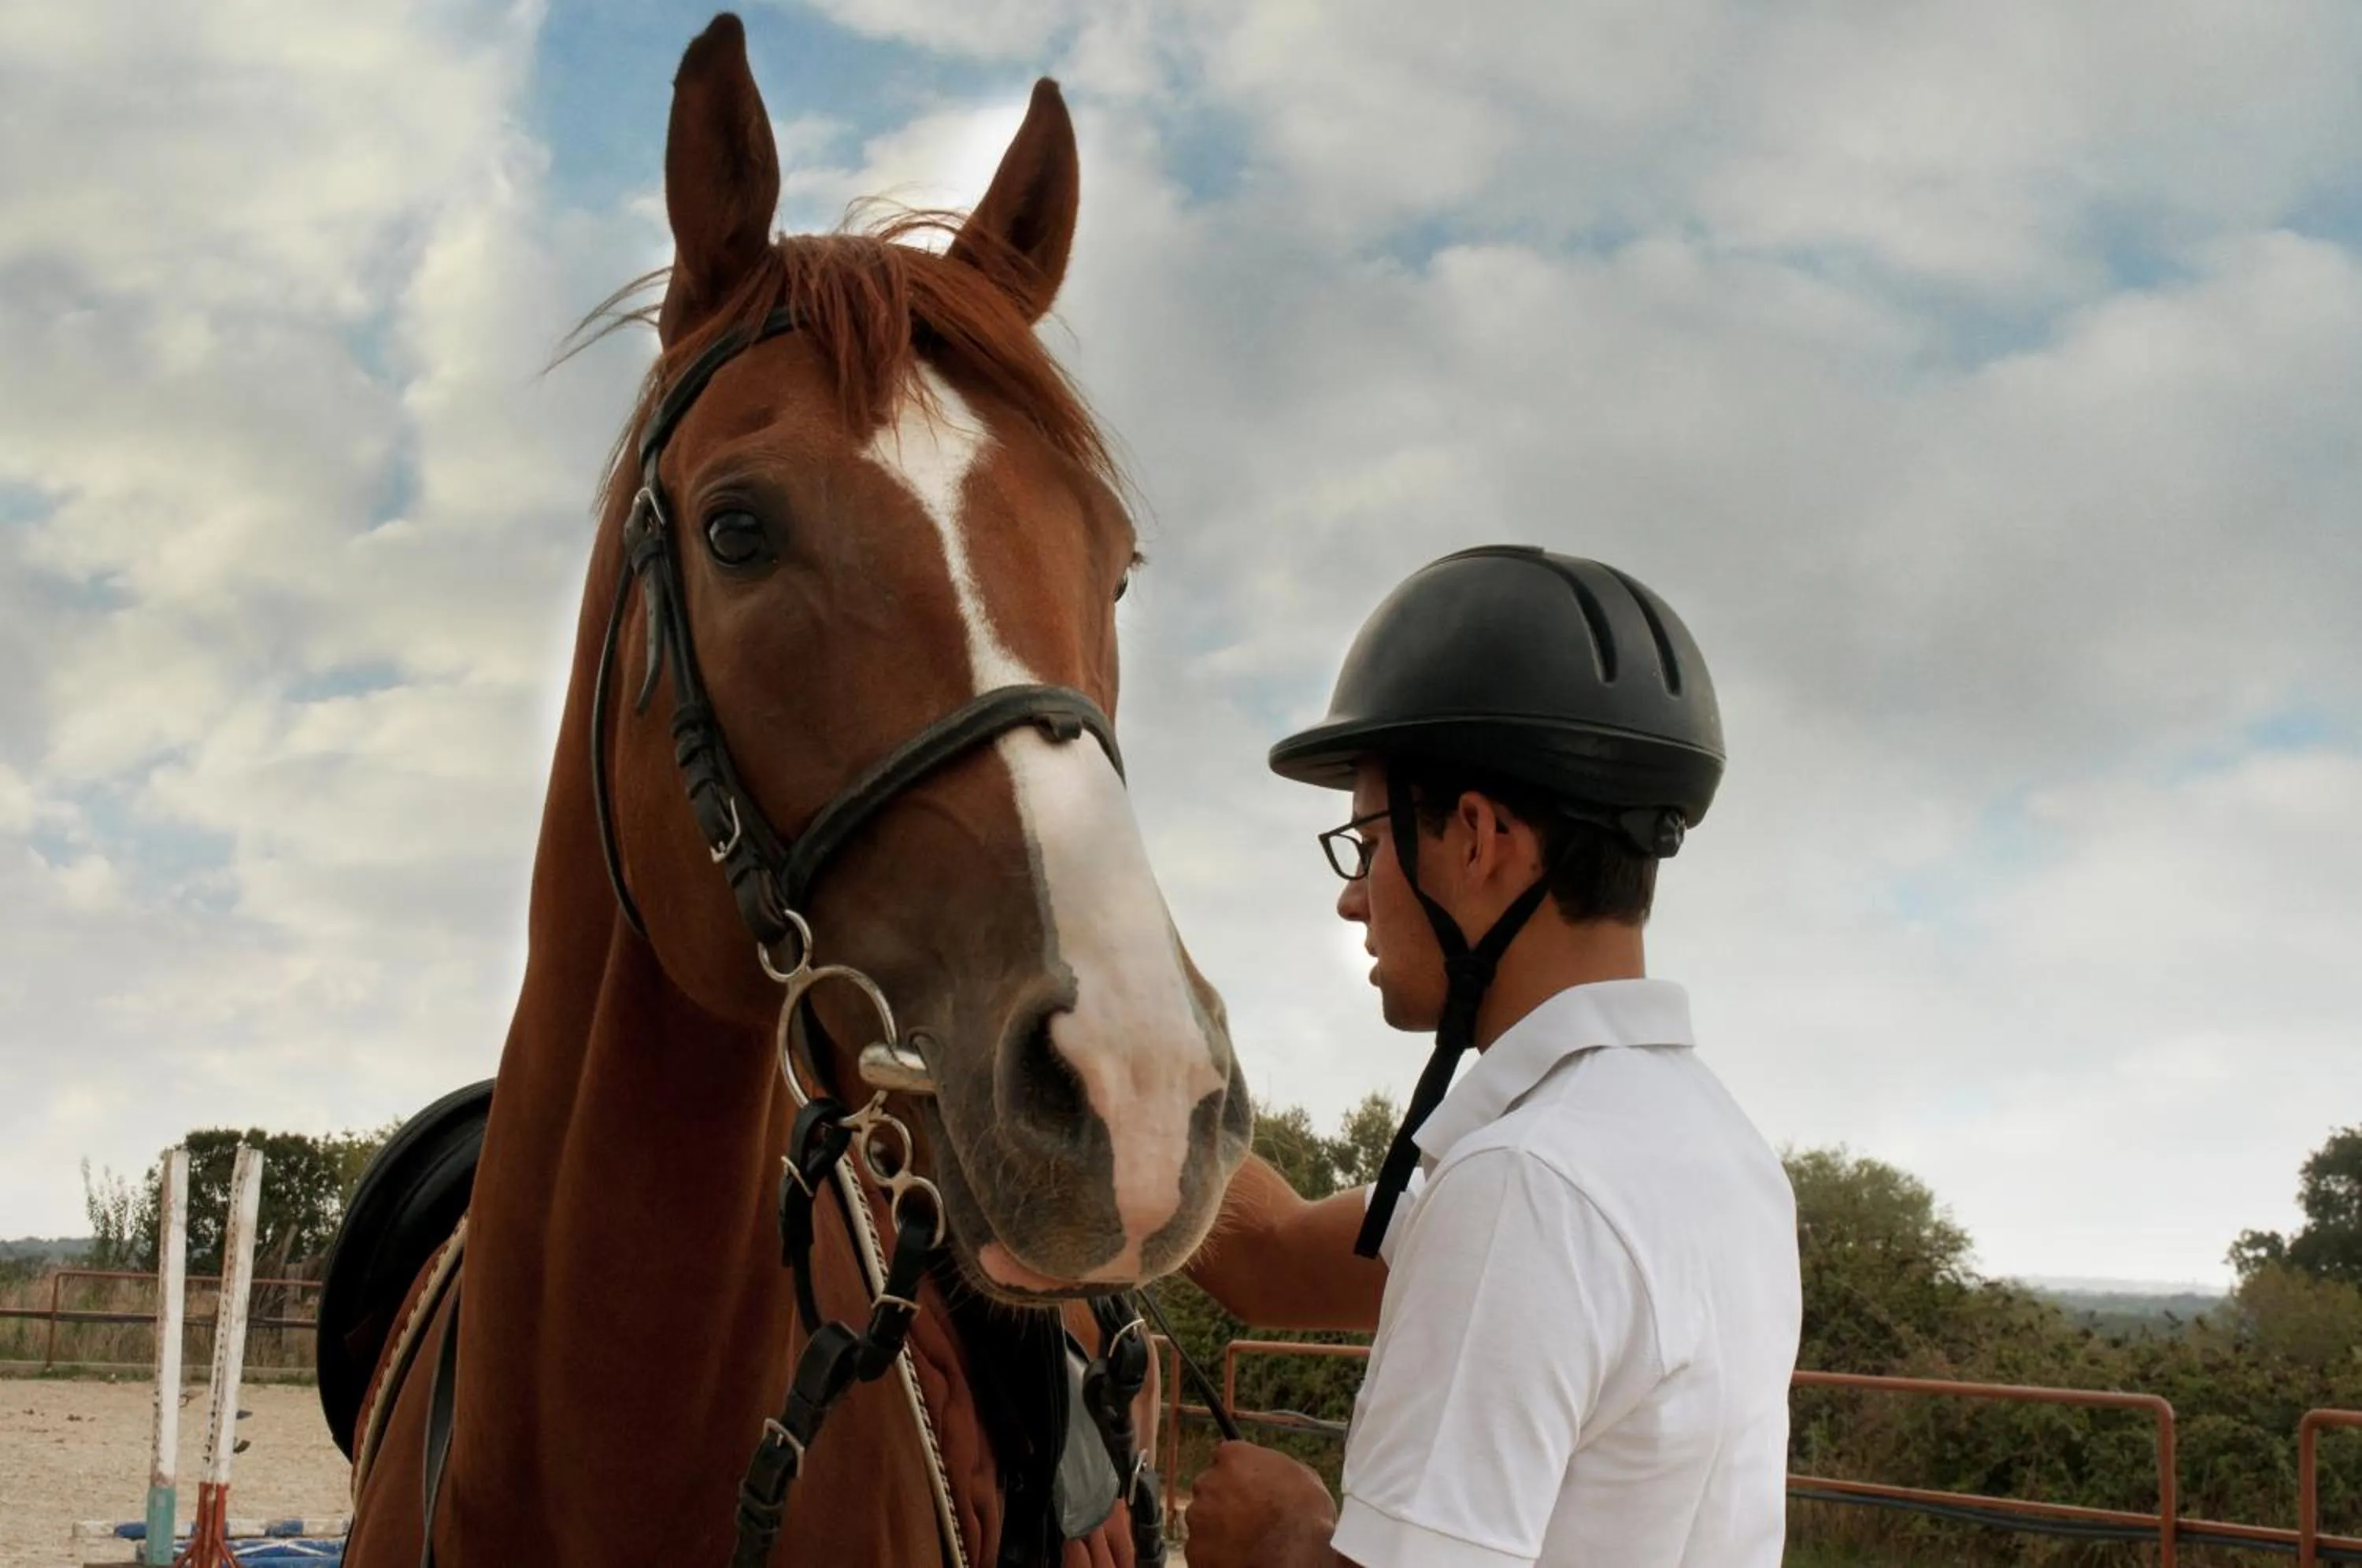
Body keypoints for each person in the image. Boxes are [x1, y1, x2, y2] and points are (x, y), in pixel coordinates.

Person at [1181, 545, 1803, 1568]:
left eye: (1368, 844)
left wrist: (1285, 1543)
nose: (1353, 895)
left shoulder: (1524, 1189)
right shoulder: (1719, 1154)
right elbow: (1271, 1252)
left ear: (1475, 838)